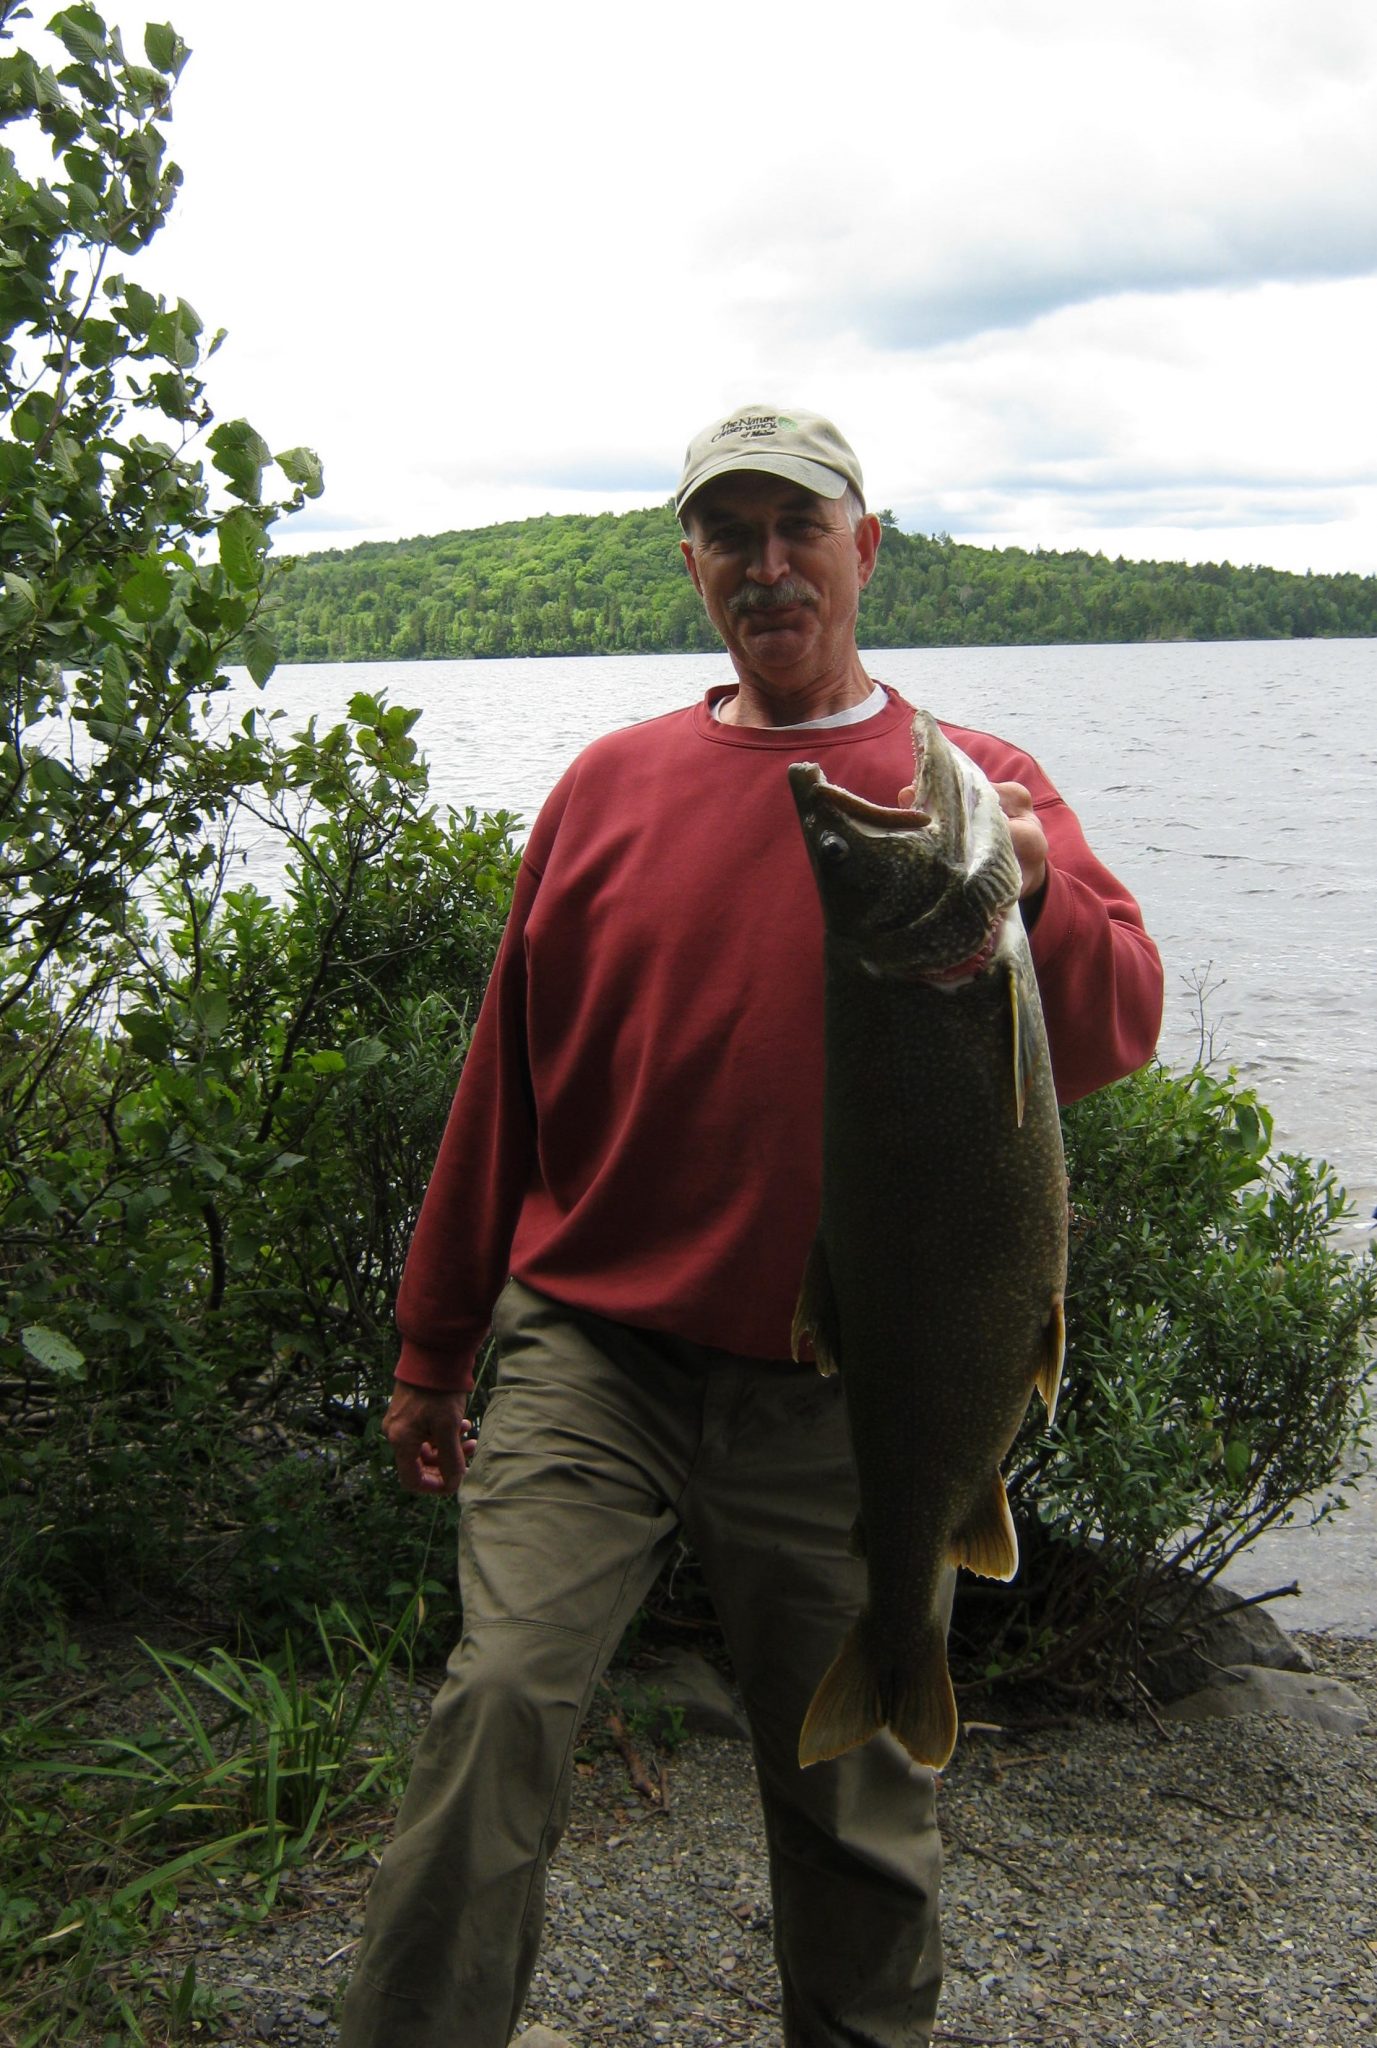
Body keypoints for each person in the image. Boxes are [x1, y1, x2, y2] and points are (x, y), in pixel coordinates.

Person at [338, 405, 1164, 2048]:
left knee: (857, 1791)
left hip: (844, 1393)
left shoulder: (981, 793)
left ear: (866, 548)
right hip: (593, 1354)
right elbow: (503, 1081)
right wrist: (436, 1348)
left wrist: (1041, 880)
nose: (768, 564)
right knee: (496, 1707)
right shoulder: (607, 787)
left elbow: (1115, 1028)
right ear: (695, 564)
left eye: (801, 527)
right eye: (731, 533)